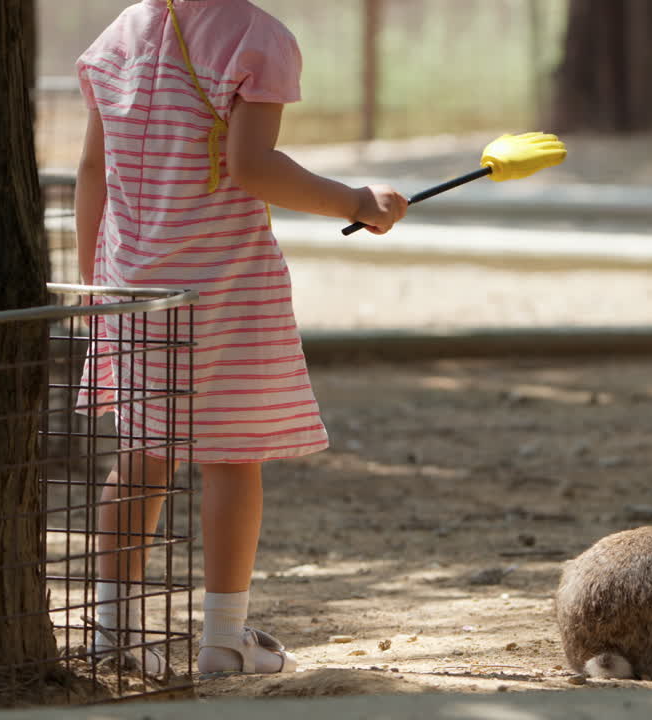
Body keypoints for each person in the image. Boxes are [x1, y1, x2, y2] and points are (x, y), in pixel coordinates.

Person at [74, 0, 407, 676]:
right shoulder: (258, 39)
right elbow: (251, 166)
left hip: (133, 284)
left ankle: (113, 633)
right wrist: (355, 201)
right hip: (226, 281)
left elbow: (91, 172)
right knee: (232, 457)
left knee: (141, 454)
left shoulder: (119, 35)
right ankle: (224, 641)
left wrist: (93, 285)